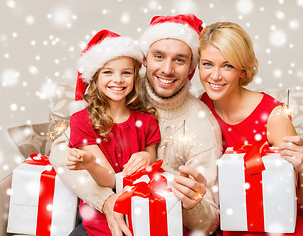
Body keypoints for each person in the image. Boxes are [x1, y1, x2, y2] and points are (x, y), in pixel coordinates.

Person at [50, 14, 223, 236]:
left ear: (191, 66)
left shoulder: (201, 123)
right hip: (103, 218)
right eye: (158, 56)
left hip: (162, 225)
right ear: (145, 58)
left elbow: (207, 223)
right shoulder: (118, 89)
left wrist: (192, 203)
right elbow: (61, 150)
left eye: (179, 59)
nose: (167, 70)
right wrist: (106, 201)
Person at [199, 22, 303, 235]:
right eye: (207, 64)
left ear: (242, 71)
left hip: (287, 214)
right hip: (239, 213)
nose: (215, 76)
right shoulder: (202, 106)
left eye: (227, 66)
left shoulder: (274, 116)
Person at [62, 29, 161, 236]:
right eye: (108, 72)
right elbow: (109, 180)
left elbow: (152, 156)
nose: (118, 79)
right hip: (99, 221)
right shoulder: (82, 121)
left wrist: (146, 155)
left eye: (126, 72)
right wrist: (89, 163)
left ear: (135, 77)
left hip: (142, 215)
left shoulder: (147, 120)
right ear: (95, 78)